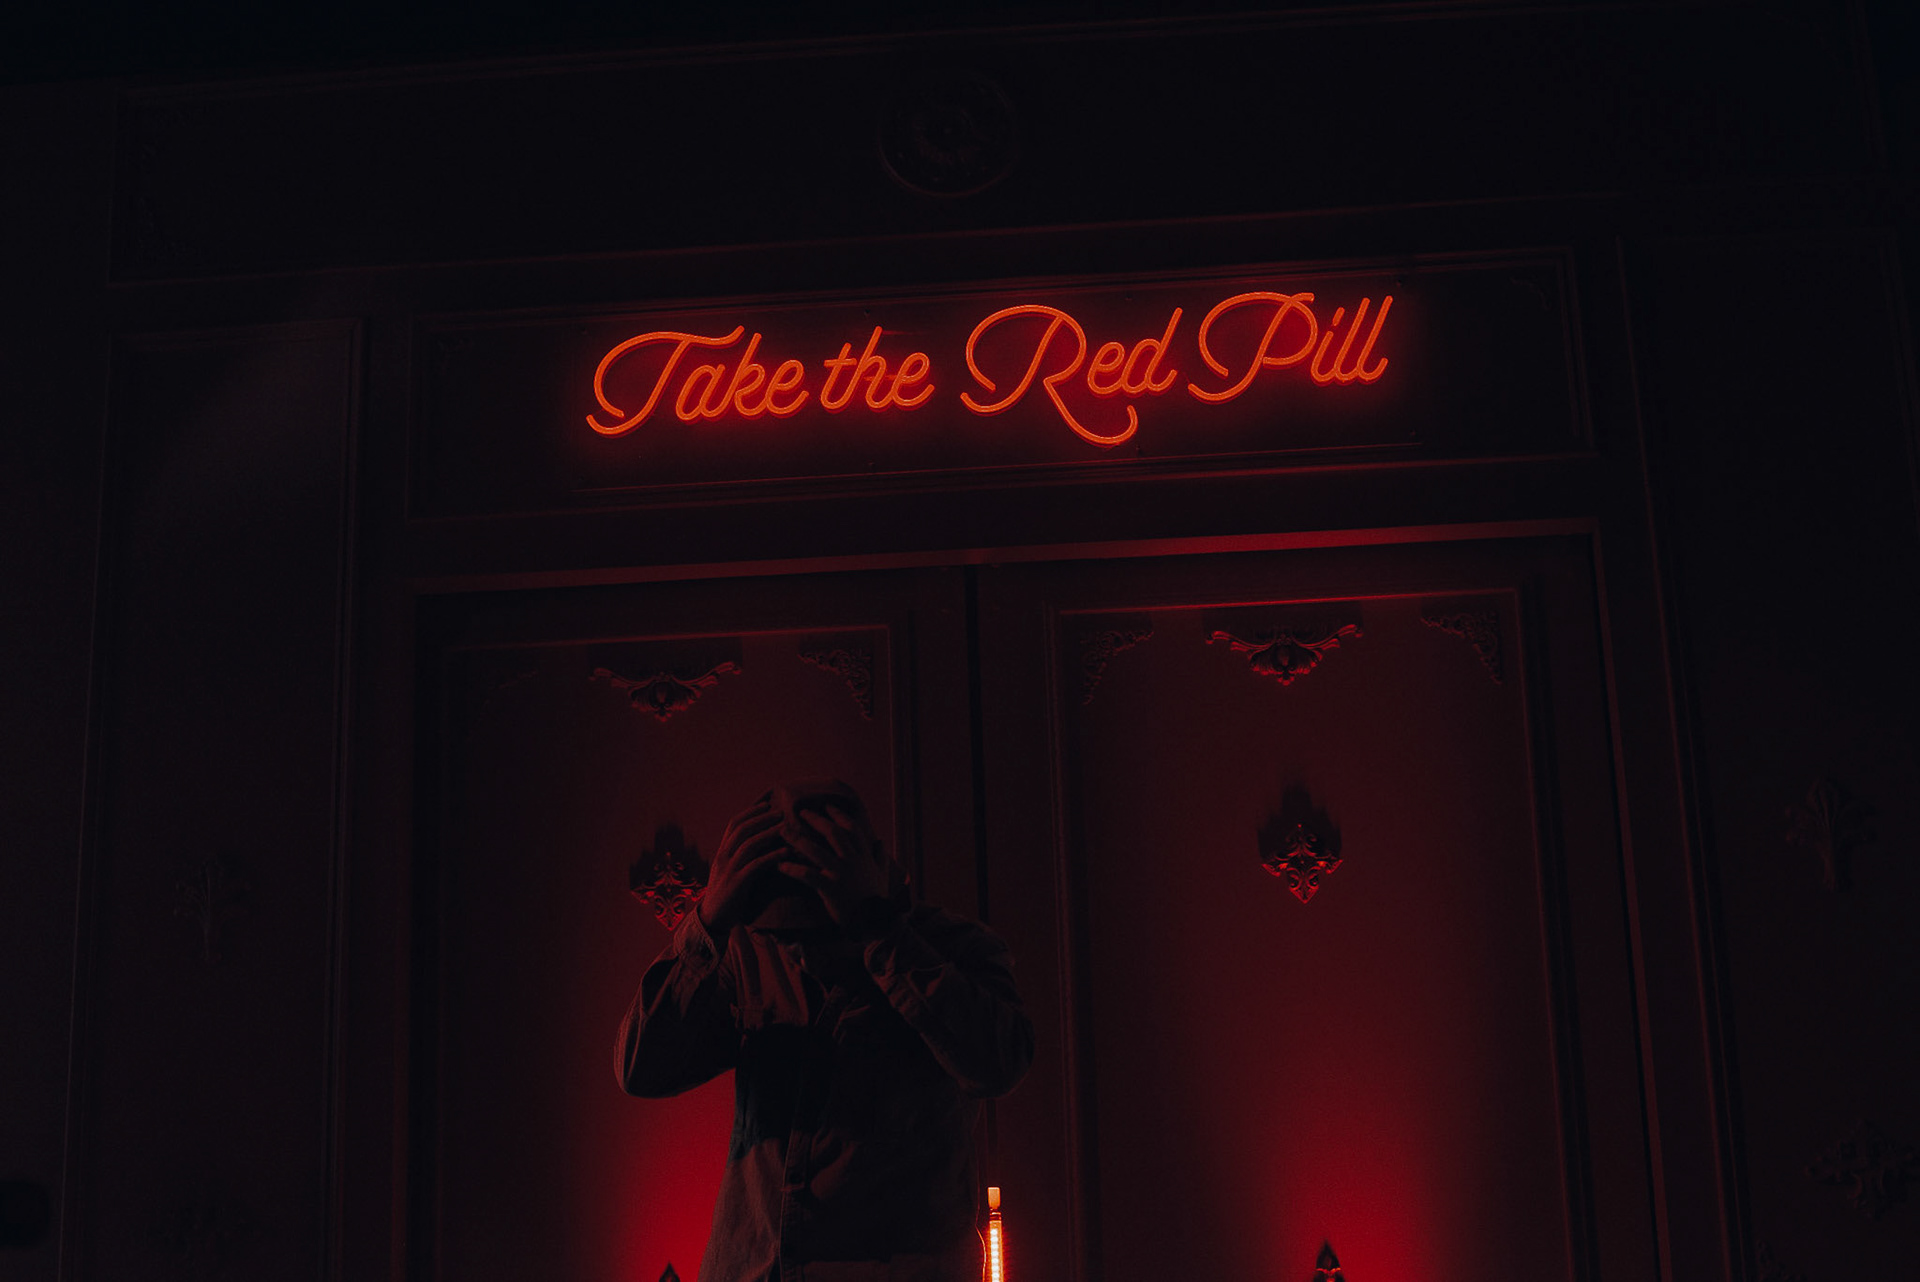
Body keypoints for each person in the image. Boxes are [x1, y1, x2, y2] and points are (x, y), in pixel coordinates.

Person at [617, 780, 1033, 1282]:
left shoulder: (955, 948)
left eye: (816, 930)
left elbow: (999, 1064)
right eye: (782, 932)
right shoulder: (749, 954)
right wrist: (707, 924)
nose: (798, 952)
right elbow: (640, 1068)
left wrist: (879, 933)